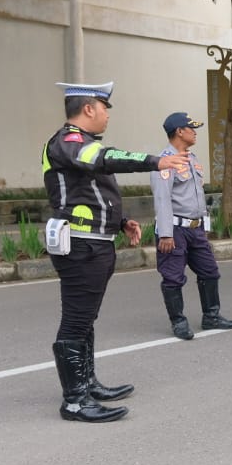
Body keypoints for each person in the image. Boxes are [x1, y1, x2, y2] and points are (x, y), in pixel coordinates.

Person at [42, 81, 189, 423]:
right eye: (104, 107)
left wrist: (121, 221)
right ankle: (75, 401)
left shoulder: (83, 145)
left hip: (95, 242)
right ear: (89, 108)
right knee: (76, 321)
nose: (108, 115)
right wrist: (157, 162)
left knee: (86, 318)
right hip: (79, 245)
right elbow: (106, 160)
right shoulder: (69, 142)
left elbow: (88, 191)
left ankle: (88, 383)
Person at [152, 112, 232, 340]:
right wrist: (165, 234)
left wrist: (203, 223)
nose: (195, 132)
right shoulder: (165, 161)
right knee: (173, 277)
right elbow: (162, 199)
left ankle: (211, 316)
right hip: (174, 230)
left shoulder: (191, 159)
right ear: (179, 132)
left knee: (209, 271)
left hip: (195, 228)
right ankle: (178, 322)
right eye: (191, 128)